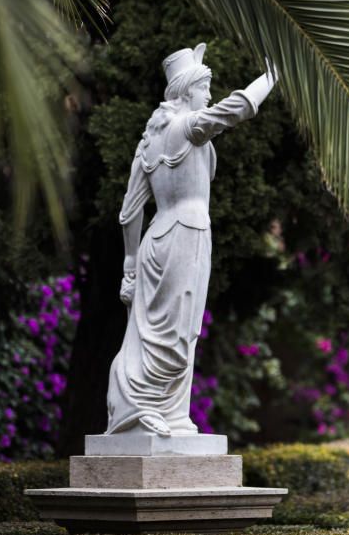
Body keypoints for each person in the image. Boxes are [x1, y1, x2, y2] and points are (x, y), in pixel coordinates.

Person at [106, 43, 277, 436]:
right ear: (186, 92)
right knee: (177, 334)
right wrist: (272, 75)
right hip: (185, 235)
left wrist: (130, 264)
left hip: (156, 242)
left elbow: (130, 212)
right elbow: (238, 108)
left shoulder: (148, 141)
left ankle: (170, 413)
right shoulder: (187, 126)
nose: (209, 96)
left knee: (164, 330)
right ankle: (143, 407)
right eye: (205, 88)